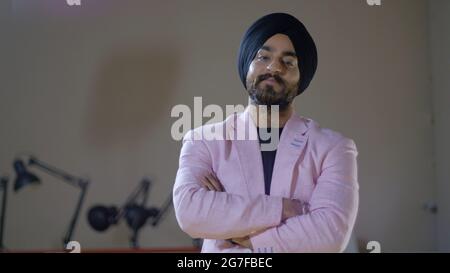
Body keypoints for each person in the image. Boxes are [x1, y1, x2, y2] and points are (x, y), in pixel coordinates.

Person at [173, 12, 359, 252]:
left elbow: (330, 235)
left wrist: (243, 234)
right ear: (247, 64)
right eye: (263, 57)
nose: (274, 67)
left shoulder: (333, 148)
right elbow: (190, 212)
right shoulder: (204, 141)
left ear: (302, 76)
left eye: (288, 61)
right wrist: (282, 209)